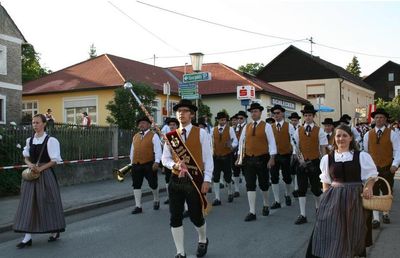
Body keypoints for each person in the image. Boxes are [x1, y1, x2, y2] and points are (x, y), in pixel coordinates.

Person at [306, 125, 378, 258]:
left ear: (351, 138)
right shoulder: (327, 158)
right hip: (334, 199)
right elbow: (326, 182)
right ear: (334, 138)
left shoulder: (361, 156)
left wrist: (369, 187)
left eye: (345, 135)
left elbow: (371, 176)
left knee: (354, 230)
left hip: (355, 199)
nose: (341, 138)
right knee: (333, 231)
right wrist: (324, 202)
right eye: (338, 135)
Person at [162, 99, 213, 258]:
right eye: (178, 111)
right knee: (175, 217)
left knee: (196, 217)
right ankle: (180, 252)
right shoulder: (171, 136)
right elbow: (165, 159)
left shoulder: (202, 133)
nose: (181, 113)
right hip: (176, 181)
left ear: (191, 114)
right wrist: (174, 166)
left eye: (184, 111)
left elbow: (208, 159)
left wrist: (207, 180)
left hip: (195, 181)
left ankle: (203, 239)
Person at [13, 114, 65, 248]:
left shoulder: (51, 140)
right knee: (28, 204)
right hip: (31, 177)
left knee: (48, 203)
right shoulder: (29, 140)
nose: (34, 125)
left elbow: (54, 161)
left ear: (44, 124)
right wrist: (30, 165)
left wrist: (39, 169)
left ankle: (54, 230)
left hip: (45, 176)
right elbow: (26, 157)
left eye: (37, 122)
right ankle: (27, 237)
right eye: (33, 123)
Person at [237, 102, 277, 222]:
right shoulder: (247, 126)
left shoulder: (267, 126)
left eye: (256, 111)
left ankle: (265, 204)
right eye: (252, 112)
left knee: (264, 184)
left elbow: (272, 142)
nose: (254, 113)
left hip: (262, 158)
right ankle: (252, 211)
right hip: (249, 159)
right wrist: (239, 157)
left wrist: (272, 158)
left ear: (260, 113)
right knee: (250, 185)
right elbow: (241, 142)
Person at [363, 108, 400, 229]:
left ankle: (385, 213)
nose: (379, 119)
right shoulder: (368, 134)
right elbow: (365, 152)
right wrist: (366, 167)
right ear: (374, 119)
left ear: (385, 120)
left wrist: (395, 164)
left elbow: (398, 150)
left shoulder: (392, 134)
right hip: (372, 167)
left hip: (387, 167)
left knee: (386, 190)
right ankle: (375, 218)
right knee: (373, 191)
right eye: (377, 117)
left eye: (381, 118)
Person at [293, 104, 328, 225]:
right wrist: (300, 159)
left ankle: (319, 209)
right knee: (301, 189)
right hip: (302, 162)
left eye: (310, 115)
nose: (307, 117)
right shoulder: (298, 131)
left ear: (314, 116)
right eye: (306, 115)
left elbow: (323, 148)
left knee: (316, 188)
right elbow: (296, 148)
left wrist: (324, 164)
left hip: (314, 162)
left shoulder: (320, 131)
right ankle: (303, 214)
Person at [130, 116, 162, 214]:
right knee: (136, 185)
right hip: (136, 164)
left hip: (149, 164)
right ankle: (138, 206)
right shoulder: (135, 136)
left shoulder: (154, 135)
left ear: (148, 125)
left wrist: (157, 161)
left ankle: (156, 199)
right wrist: (131, 163)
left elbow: (158, 150)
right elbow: (132, 151)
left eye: (143, 123)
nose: (141, 125)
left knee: (153, 184)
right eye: (140, 123)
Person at [269, 104, 296, 209]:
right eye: (274, 113)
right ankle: (277, 200)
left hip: (285, 154)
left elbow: (294, 141)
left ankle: (287, 194)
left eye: (278, 113)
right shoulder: (270, 127)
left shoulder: (289, 126)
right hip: (274, 155)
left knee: (287, 177)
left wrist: (294, 153)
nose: (276, 115)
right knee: (274, 177)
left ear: (283, 114)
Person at [211, 112, 238, 205]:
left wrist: (231, 146)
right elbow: (210, 142)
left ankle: (230, 192)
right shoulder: (213, 130)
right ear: (218, 120)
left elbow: (235, 142)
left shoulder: (230, 129)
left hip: (227, 155)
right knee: (216, 176)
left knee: (227, 176)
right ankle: (217, 198)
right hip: (216, 156)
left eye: (224, 120)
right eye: (221, 120)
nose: (223, 121)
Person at [163, 117, 179, 205]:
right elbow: (166, 153)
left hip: (180, 164)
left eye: (173, 125)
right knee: (167, 179)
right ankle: (170, 197)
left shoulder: (180, 136)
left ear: (177, 126)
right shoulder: (167, 137)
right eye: (170, 125)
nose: (171, 126)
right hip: (170, 163)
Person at [232, 110, 247, 197]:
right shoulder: (234, 128)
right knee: (236, 171)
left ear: (245, 118)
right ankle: (237, 190)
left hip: (245, 152)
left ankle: (247, 187)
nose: (239, 120)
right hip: (235, 152)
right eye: (238, 118)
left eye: (241, 118)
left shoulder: (247, 126)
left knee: (245, 172)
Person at [288, 112, 301, 198]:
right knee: (291, 171)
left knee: (297, 170)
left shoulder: (300, 129)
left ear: (298, 121)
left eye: (295, 120)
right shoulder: (288, 128)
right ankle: (294, 185)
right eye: (292, 120)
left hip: (298, 151)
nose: (294, 122)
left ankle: (296, 188)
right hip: (289, 151)